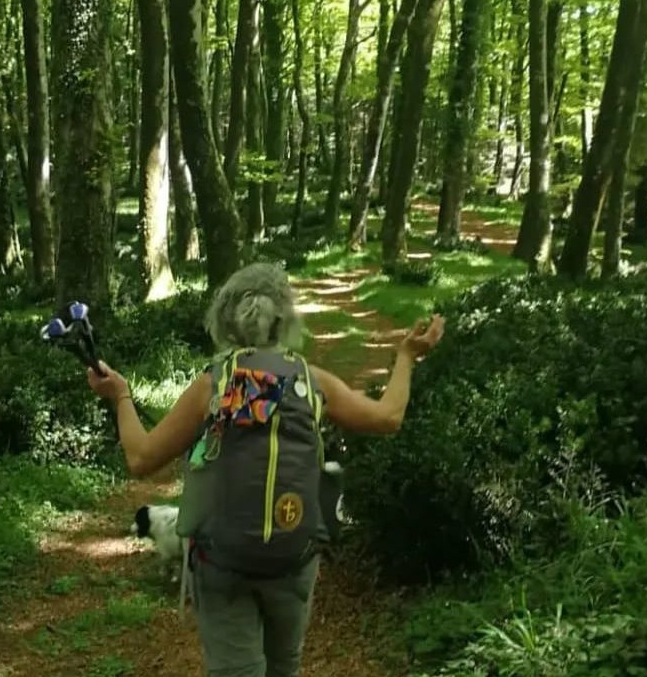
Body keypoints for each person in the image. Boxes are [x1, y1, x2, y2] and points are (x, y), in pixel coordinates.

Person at [86, 262, 445, 677]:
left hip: (223, 563)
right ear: (285, 320)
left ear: (224, 319)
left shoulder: (214, 384)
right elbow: (388, 417)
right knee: (283, 667)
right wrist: (405, 356)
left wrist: (121, 396)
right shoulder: (313, 381)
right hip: (293, 558)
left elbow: (141, 458)